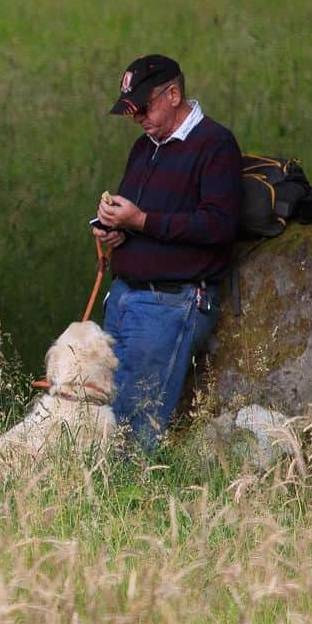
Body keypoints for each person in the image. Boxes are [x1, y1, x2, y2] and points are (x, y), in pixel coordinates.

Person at [94, 55, 242, 450]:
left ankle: (126, 503)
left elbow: (217, 225)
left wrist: (140, 221)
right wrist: (116, 230)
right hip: (125, 296)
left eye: (144, 107)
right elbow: (147, 219)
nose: (137, 118)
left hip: (170, 302)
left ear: (173, 95)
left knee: (133, 422)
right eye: (132, 111)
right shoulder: (144, 148)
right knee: (102, 414)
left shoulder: (215, 145)